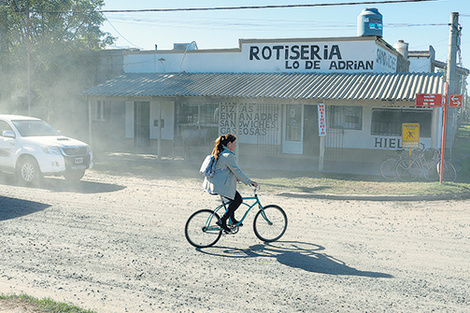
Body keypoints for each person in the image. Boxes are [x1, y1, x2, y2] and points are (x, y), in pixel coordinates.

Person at [202, 134, 258, 233]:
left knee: (233, 198)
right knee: (238, 199)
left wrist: (236, 178)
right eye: (234, 143)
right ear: (229, 144)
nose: (235, 146)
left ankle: (232, 220)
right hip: (220, 186)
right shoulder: (228, 156)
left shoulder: (221, 152)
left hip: (215, 184)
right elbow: (237, 171)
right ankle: (223, 220)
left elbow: (224, 170)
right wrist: (250, 182)